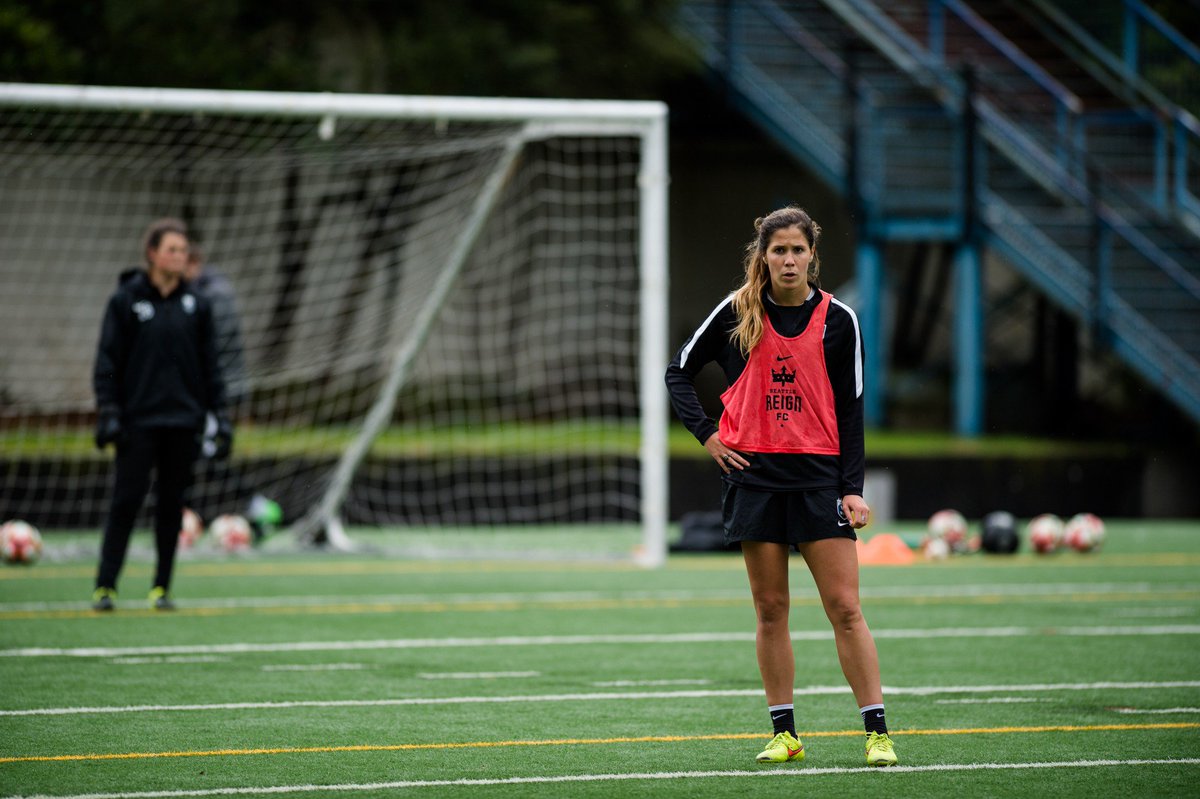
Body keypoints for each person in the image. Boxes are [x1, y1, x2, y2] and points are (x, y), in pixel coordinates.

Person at [664, 206, 897, 767]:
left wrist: (853, 487)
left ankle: (878, 732)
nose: (788, 260)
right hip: (754, 480)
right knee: (771, 609)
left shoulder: (840, 320)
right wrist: (709, 437)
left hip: (819, 481)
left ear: (813, 255)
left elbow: (852, 409)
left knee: (844, 608)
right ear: (762, 256)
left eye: (797, 250)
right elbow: (678, 372)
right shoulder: (737, 310)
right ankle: (785, 733)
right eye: (778, 250)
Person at [92, 218, 232, 611]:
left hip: (183, 422)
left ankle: (161, 587)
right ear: (152, 254)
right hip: (139, 421)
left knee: (172, 505)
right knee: (126, 501)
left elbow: (210, 368)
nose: (179, 256)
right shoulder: (126, 301)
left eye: (183, 250)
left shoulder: (197, 305)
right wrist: (109, 411)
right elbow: (107, 362)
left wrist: (220, 416)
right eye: (171, 249)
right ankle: (106, 585)